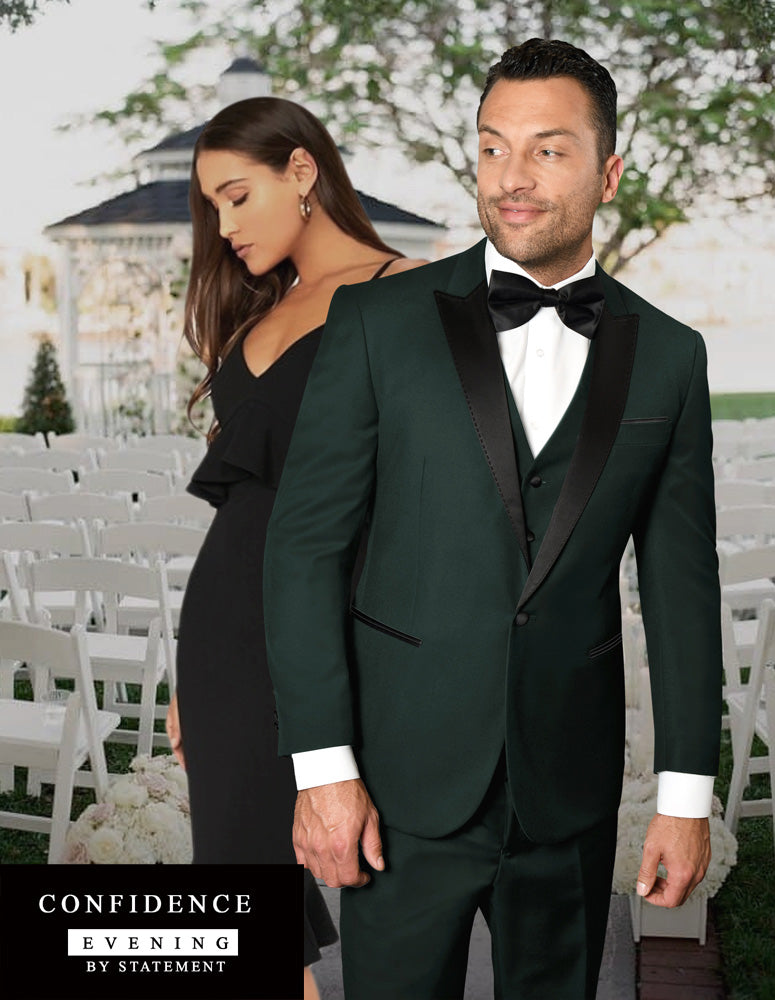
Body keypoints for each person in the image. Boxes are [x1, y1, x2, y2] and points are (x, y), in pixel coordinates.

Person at [263, 38, 722, 999]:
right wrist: (322, 768)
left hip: (567, 792)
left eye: (547, 151)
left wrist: (684, 800)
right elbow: (304, 552)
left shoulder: (671, 359)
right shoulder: (375, 325)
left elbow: (681, 594)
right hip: (395, 784)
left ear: (608, 172)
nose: (510, 179)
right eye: (490, 148)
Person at [163, 95, 425, 996]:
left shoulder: (410, 294)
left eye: (238, 197)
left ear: (302, 172)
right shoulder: (257, 312)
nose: (224, 225)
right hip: (226, 635)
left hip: (339, 628)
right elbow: (236, 519)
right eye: (212, 209)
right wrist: (185, 677)